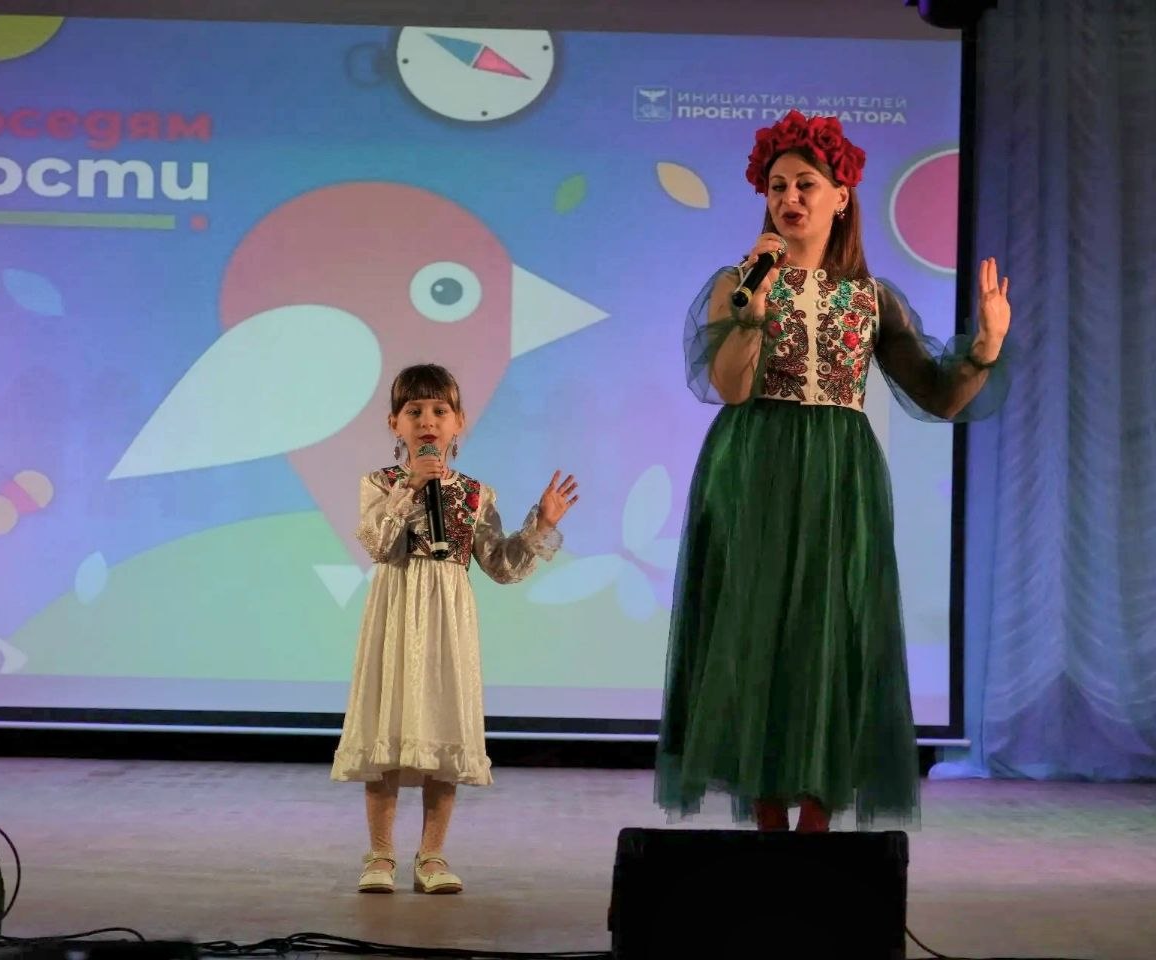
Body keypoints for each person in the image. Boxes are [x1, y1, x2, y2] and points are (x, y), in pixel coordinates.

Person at [655, 110, 1012, 832]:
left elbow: (937, 395)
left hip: (840, 473)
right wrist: (752, 309)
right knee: (755, 627)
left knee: (831, 631)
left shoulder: (872, 299)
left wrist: (985, 347)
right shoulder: (739, 282)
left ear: (841, 197)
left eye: (805, 184)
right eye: (777, 187)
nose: (789, 198)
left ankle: (818, 818)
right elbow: (729, 386)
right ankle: (766, 814)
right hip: (753, 465)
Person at [331, 363, 579, 891]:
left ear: (459, 422)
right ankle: (380, 855)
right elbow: (378, 544)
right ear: (394, 423)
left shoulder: (475, 494)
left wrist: (542, 524)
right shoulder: (379, 484)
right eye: (414, 410)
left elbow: (501, 565)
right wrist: (410, 488)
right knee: (386, 727)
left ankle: (432, 856)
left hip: (447, 618)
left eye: (439, 410)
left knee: (443, 728)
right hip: (396, 610)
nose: (428, 420)